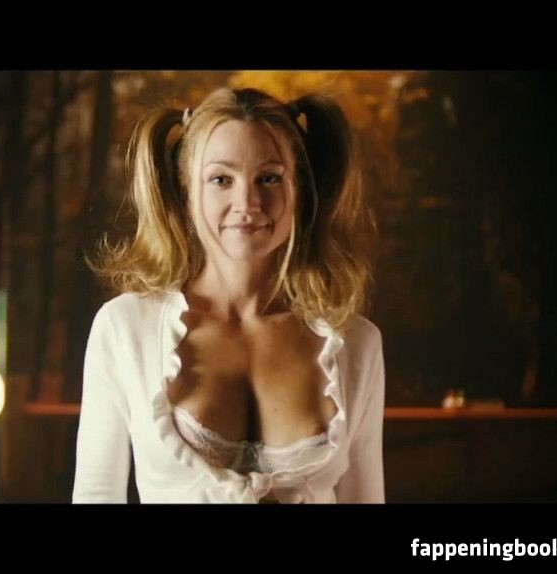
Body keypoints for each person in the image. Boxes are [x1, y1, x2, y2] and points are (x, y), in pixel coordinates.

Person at [72, 87, 385, 503]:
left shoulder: (357, 343)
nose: (248, 202)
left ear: (300, 191)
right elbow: (95, 494)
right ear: (187, 192)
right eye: (221, 179)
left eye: (269, 178)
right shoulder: (124, 329)